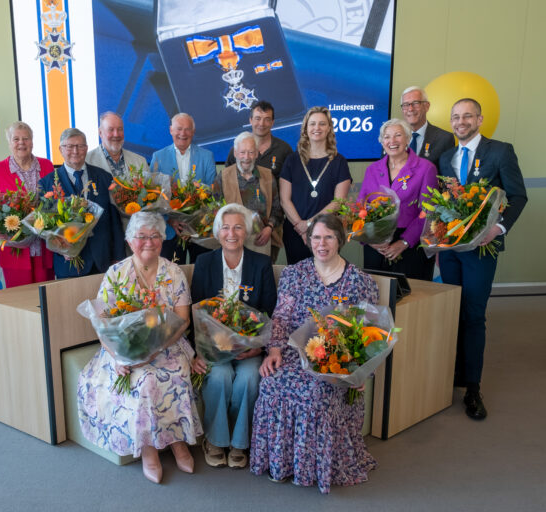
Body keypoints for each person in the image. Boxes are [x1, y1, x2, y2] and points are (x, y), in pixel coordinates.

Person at [250, 214, 379, 494]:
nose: (322, 244)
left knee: (314, 393)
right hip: (298, 352)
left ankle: (308, 468)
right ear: (308, 241)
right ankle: (281, 463)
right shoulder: (295, 274)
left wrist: (361, 370)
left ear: (340, 240)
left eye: (329, 237)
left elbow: (370, 332)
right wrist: (273, 351)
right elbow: (282, 317)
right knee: (271, 382)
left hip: (337, 360)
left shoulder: (360, 281)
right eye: (316, 237)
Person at [77, 211, 202, 484]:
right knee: (143, 380)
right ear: (130, 241)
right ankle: (149, 449)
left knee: (178, 371)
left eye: (155, 236)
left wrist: (157, 348)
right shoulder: (116, 273)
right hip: (124, 350)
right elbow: (102, 323)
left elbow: (181, 320)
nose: (149, 242)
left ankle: (178, 441)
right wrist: (117, 355)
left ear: (163, 239)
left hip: (167, 345)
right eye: (141, 236)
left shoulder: (174, 272)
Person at [438, 98, 527, 420]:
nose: (461, 122)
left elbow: (518, 195)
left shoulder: (500, 151)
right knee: (452, 313)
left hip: (482, 250)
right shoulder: (446, 157)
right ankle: (453, 375)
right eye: (456, 117)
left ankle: (472, 387)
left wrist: (499, 228)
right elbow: (443, 203)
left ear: (479, 119)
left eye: (467, 116)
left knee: (474, 315)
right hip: (450, 253)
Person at [190, 203, 277, 470]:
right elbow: (196, 311)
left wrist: (256, 346)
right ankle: (215, 440)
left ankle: (240, 442)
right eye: (226, 227)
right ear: (217, 233)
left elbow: (269, 311)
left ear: (247, 232)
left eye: (238, 227)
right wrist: (199, 351)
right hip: (214, 348)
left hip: (250, 348)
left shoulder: (262, 264)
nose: (231, 233)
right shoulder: (204, 263)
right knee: (219, 375)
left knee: (250, 377)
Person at [358, 118, 438, 280]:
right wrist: (368, 239)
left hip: (410, 244)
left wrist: (405, 242)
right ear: (382, 141)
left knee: (410, 299)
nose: (392, 141)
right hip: (376, 245)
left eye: (398, 135)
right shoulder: (372, 169)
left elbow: (428, 211)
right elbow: (361, 207)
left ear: (408, 139)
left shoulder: (426, 168)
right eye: (387, 137)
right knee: (377, 296)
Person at [39, 128, 124, 278]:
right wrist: (60, 248)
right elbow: (42, 225)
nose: (75, 151)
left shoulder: (104, 177)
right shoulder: (47, 183)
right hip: (69, 263)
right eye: (69, 146)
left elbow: (114, 221)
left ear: (86, 148)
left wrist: (118, 257)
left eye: (80, 146)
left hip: (102, 261)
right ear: (60, 149)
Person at [280, 107, 352, 264]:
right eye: (312, 124)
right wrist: (302, 228)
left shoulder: (339, 162)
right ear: (306, 128)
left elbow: (339, 201)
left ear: (329, 128)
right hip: (295, 231)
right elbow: (285, 200)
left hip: (327, 233)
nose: (317, 128)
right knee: (297, 280)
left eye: (322, 124)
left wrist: (310, 225)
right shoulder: (292, 160)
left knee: (326, 278)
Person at [0, 121, 56, 287]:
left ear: (32, 141)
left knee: (45, 301)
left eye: (26, 138)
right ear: (9, 142)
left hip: (44, 248)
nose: (21, 143)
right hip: (15, 252)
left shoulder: (46, 165)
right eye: (16, 139)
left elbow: (56, 200)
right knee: (19, 302)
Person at [225, 101, 293, 262]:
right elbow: (227, 185)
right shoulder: (234, 151)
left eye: (266, 119)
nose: (261, 123)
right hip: (235, 233)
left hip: (268, 231)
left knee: (263, 276)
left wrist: (270, 227)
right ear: (250, 120)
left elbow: (284, 196)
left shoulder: (284, 150)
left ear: (273, 122)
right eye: (257, 118)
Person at [150, 113, 216, 263]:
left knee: (201, 277)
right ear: (171, 130)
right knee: (171, 279)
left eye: (187, 129)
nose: (183, 133)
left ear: (193, 132)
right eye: (179, 129)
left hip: (200, 231)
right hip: (170, 230)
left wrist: (194, 222)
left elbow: (213, 193)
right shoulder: (158, 157)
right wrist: (171, 220)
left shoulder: (207, 156)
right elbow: (153, 197)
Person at [214, 132, 281, 256]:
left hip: (260, 240)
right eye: (242, 152)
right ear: (235, 153)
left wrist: (269, 228)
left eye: (251, 152)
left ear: (256, 153)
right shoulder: (223, 177)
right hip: (231, 240)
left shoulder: (268, 176)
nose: (247, 157)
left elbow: (277, 209)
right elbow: (213, 209)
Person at [400, 86, 455, 167]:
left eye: (415, 103)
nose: (410, 109)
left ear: (427, 106)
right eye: (406, 104)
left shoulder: (444, 139)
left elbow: (447, 177)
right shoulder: (392, 138)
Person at [85, 111, 148, 177]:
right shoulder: (86, 161)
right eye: (111, 130)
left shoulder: (140, 162)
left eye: (120, 129)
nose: (116, 134)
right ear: (100, 133)